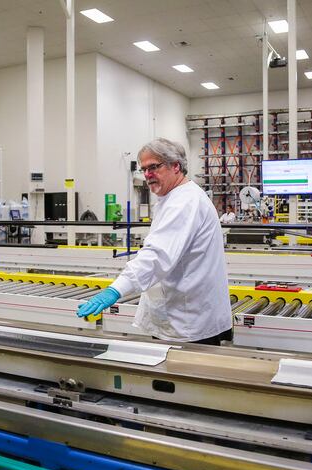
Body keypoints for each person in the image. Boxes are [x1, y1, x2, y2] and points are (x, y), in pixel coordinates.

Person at [76, 138, 233, 345]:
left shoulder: (184, 202)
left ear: (176, 166)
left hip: (188, 321)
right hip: (180, 313)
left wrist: (116, 290)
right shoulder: (173, 198)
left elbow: (156, 256)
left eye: (154, 167)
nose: (148, 175)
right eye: (144, 169)